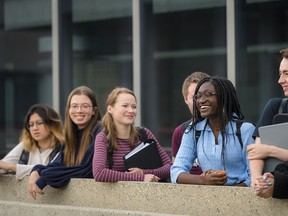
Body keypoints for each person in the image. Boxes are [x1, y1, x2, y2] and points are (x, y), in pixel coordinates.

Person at [170, 76, 255, 186]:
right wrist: (203, 180)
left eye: (208, 94)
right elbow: (176, 172)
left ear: (224, 97)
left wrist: (230, 194)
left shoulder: (245, 131)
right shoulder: (193, 130)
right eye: (198, 96)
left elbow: (254, 176)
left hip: (241, 199)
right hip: (208, 199)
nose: (201, 100)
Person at [28, 86, 102, 199]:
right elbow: (57, 164)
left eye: (85, 106)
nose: (79, 110)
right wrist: (36, 170)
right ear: (68, 110)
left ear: (94, 111)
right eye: (74, 106)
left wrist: (45, 177)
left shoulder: (100, 131)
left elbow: (86, 170)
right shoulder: (71, 135)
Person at [92, 87, 172, 182]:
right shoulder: (103, 138)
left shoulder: (144, 134)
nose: (131, 110)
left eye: (134, 107)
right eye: (125, 106)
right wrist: (140, 178)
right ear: (110, 109)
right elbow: (99, 173)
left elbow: (169, 167)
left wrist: (143, 172)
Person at [247, 48, 288, 187]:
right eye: (280, 74)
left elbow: (262, 150)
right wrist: (257, 181)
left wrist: (270, 150)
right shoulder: (275, 106)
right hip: (272, 190)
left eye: (286, 73)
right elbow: (256, 152)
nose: (280, 80)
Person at [0, 104, 64, 180]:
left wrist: (11, 166)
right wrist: (5, 167)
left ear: (52, 124)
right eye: (31, 124)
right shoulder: (25, 145)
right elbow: (3, 164)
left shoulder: (62, 147)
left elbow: (48, 170)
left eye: (39, 123)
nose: (35, 128)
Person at [171, 71, 209, 175]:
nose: (200, 101)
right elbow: (176, 172)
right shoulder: (180, 131)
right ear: (185, 99)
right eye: (195, 97)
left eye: (206, 95)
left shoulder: (230, 129)